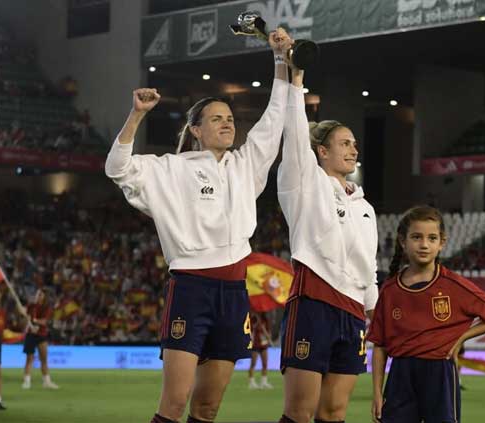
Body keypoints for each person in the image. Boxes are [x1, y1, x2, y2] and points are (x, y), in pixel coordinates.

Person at [105, 28, 292, 423]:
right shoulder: (170, 169)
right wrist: (137, 115)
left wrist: (279, 59)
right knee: (174, 405)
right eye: (216, 119)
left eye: (229, 118)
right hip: (191, 288)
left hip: (233, 292)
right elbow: (117, 168)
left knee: (207, 407)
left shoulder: (246, 166)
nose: (227, 124)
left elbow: (274, 122)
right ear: (196, 130)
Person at [276, 64, 379, 423]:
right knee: (300, 413)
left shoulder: (365, 207)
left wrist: (372, 311)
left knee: (334, 413)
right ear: (321, 151)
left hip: (352, 315)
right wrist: (297, 84)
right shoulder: (305, 184)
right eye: (344, 143)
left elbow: (371, 268)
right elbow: (294, 135)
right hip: (313, 304)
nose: (354, 149)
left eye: (354, 143)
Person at [368, 206, 485, 423]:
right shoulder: (389, 289)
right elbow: (380, 346)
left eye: (432, 238)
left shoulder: (453, 284)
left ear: (441, 243)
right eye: (416, 237)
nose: (424, 244)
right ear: (403, 241)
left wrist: (461, 338)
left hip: (440, 372)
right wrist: (377, 392)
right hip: (401, 374)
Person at [22, 288, 58, 389]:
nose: (38, 296)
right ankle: (27, 381)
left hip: (41, 335)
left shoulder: (47, 308)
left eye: (40, 294)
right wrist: (22, 311)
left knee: (44, 359)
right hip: (30, 335)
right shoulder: (31, 306)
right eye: (37, 294)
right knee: (29, 359)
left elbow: (45, 321)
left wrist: (34, 320)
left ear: (44, 297)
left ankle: (46, 382)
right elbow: (24, 315)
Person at [248, 312, 272, 390]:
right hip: (255, 344)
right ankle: (251, 382)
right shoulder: (252, 320)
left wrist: (268, 336)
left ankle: (264, 382)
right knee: (253, 363)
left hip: (263, 344)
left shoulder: (265, 320)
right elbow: (250, 331)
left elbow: (268, 331)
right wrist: (256, 324)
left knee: (265, 363)